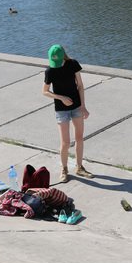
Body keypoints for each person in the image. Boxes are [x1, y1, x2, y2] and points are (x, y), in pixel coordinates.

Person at [42, 44, 93, 183]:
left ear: (63, 55)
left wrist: (83, 106)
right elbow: (45, 91)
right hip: (61, 109)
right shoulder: (50, 71)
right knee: (65, 142)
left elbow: (80, 86)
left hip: (77, 107)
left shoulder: (73, 64)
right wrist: (61, 98)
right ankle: (64, 169)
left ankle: (79, 167)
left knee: (79, 138)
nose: (56, 65)